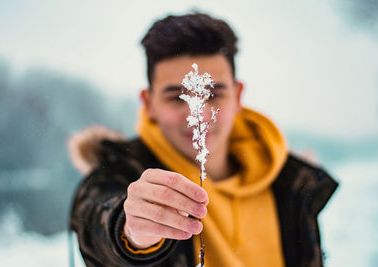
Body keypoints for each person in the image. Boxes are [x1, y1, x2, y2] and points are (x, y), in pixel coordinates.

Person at [69, 12, 338, 267]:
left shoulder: (289, 182)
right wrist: (129, 231)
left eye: (213, 94)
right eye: (177, 97)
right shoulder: (120, 174)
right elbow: (97, 222)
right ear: (148, 103)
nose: (198, 115)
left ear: (238, 94)